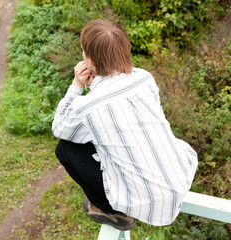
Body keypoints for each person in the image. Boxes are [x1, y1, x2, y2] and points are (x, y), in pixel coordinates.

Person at [52, 19, 198, 231]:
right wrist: (95, 87)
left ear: (90, 61)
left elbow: (59, 128)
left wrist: (77, 85)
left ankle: (108, 210)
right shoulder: (144, 78)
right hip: (179, 177)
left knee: (65, 148)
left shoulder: (88, 107)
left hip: (145, 200)